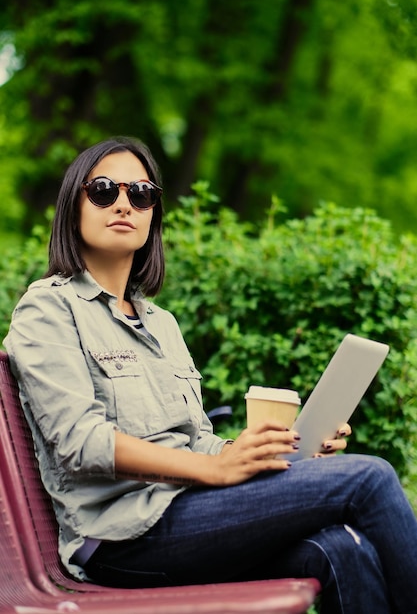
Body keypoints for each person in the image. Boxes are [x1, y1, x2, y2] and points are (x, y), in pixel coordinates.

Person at [4, 136, 417, 614]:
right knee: (369, 478)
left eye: (140, 194)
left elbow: (197, 440)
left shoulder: (161, 324)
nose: (123, 203)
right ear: (73, 206)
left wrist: (272, 450)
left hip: (189, 511)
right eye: (103, 190)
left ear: (153, 213)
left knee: (341, 548)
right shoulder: (47, 308)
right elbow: (80, 442)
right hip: (121, 536)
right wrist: (214, 469)